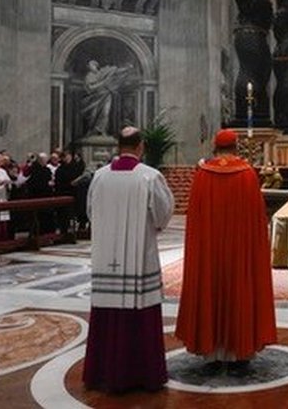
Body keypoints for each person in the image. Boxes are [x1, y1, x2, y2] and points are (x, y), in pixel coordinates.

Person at [176, 129, 276, 375]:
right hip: (240, 250)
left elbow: (195, 220)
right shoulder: (247, 175)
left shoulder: (203, 175)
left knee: (211, 287)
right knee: (239, 288)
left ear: (215, 147)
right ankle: (239, 352)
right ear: (236, 146)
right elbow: (257, 222)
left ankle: (211, 353)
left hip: (209, 251)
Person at [83, 127, 174, 393]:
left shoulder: (98, 177)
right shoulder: (150, 177)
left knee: (106, 311)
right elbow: (162, 215)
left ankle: (102, 373)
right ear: (141, 146)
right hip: (139, 258)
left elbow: (90, 212)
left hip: (104, 257)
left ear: (118, 146)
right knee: (140, 313)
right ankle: (142, 375)